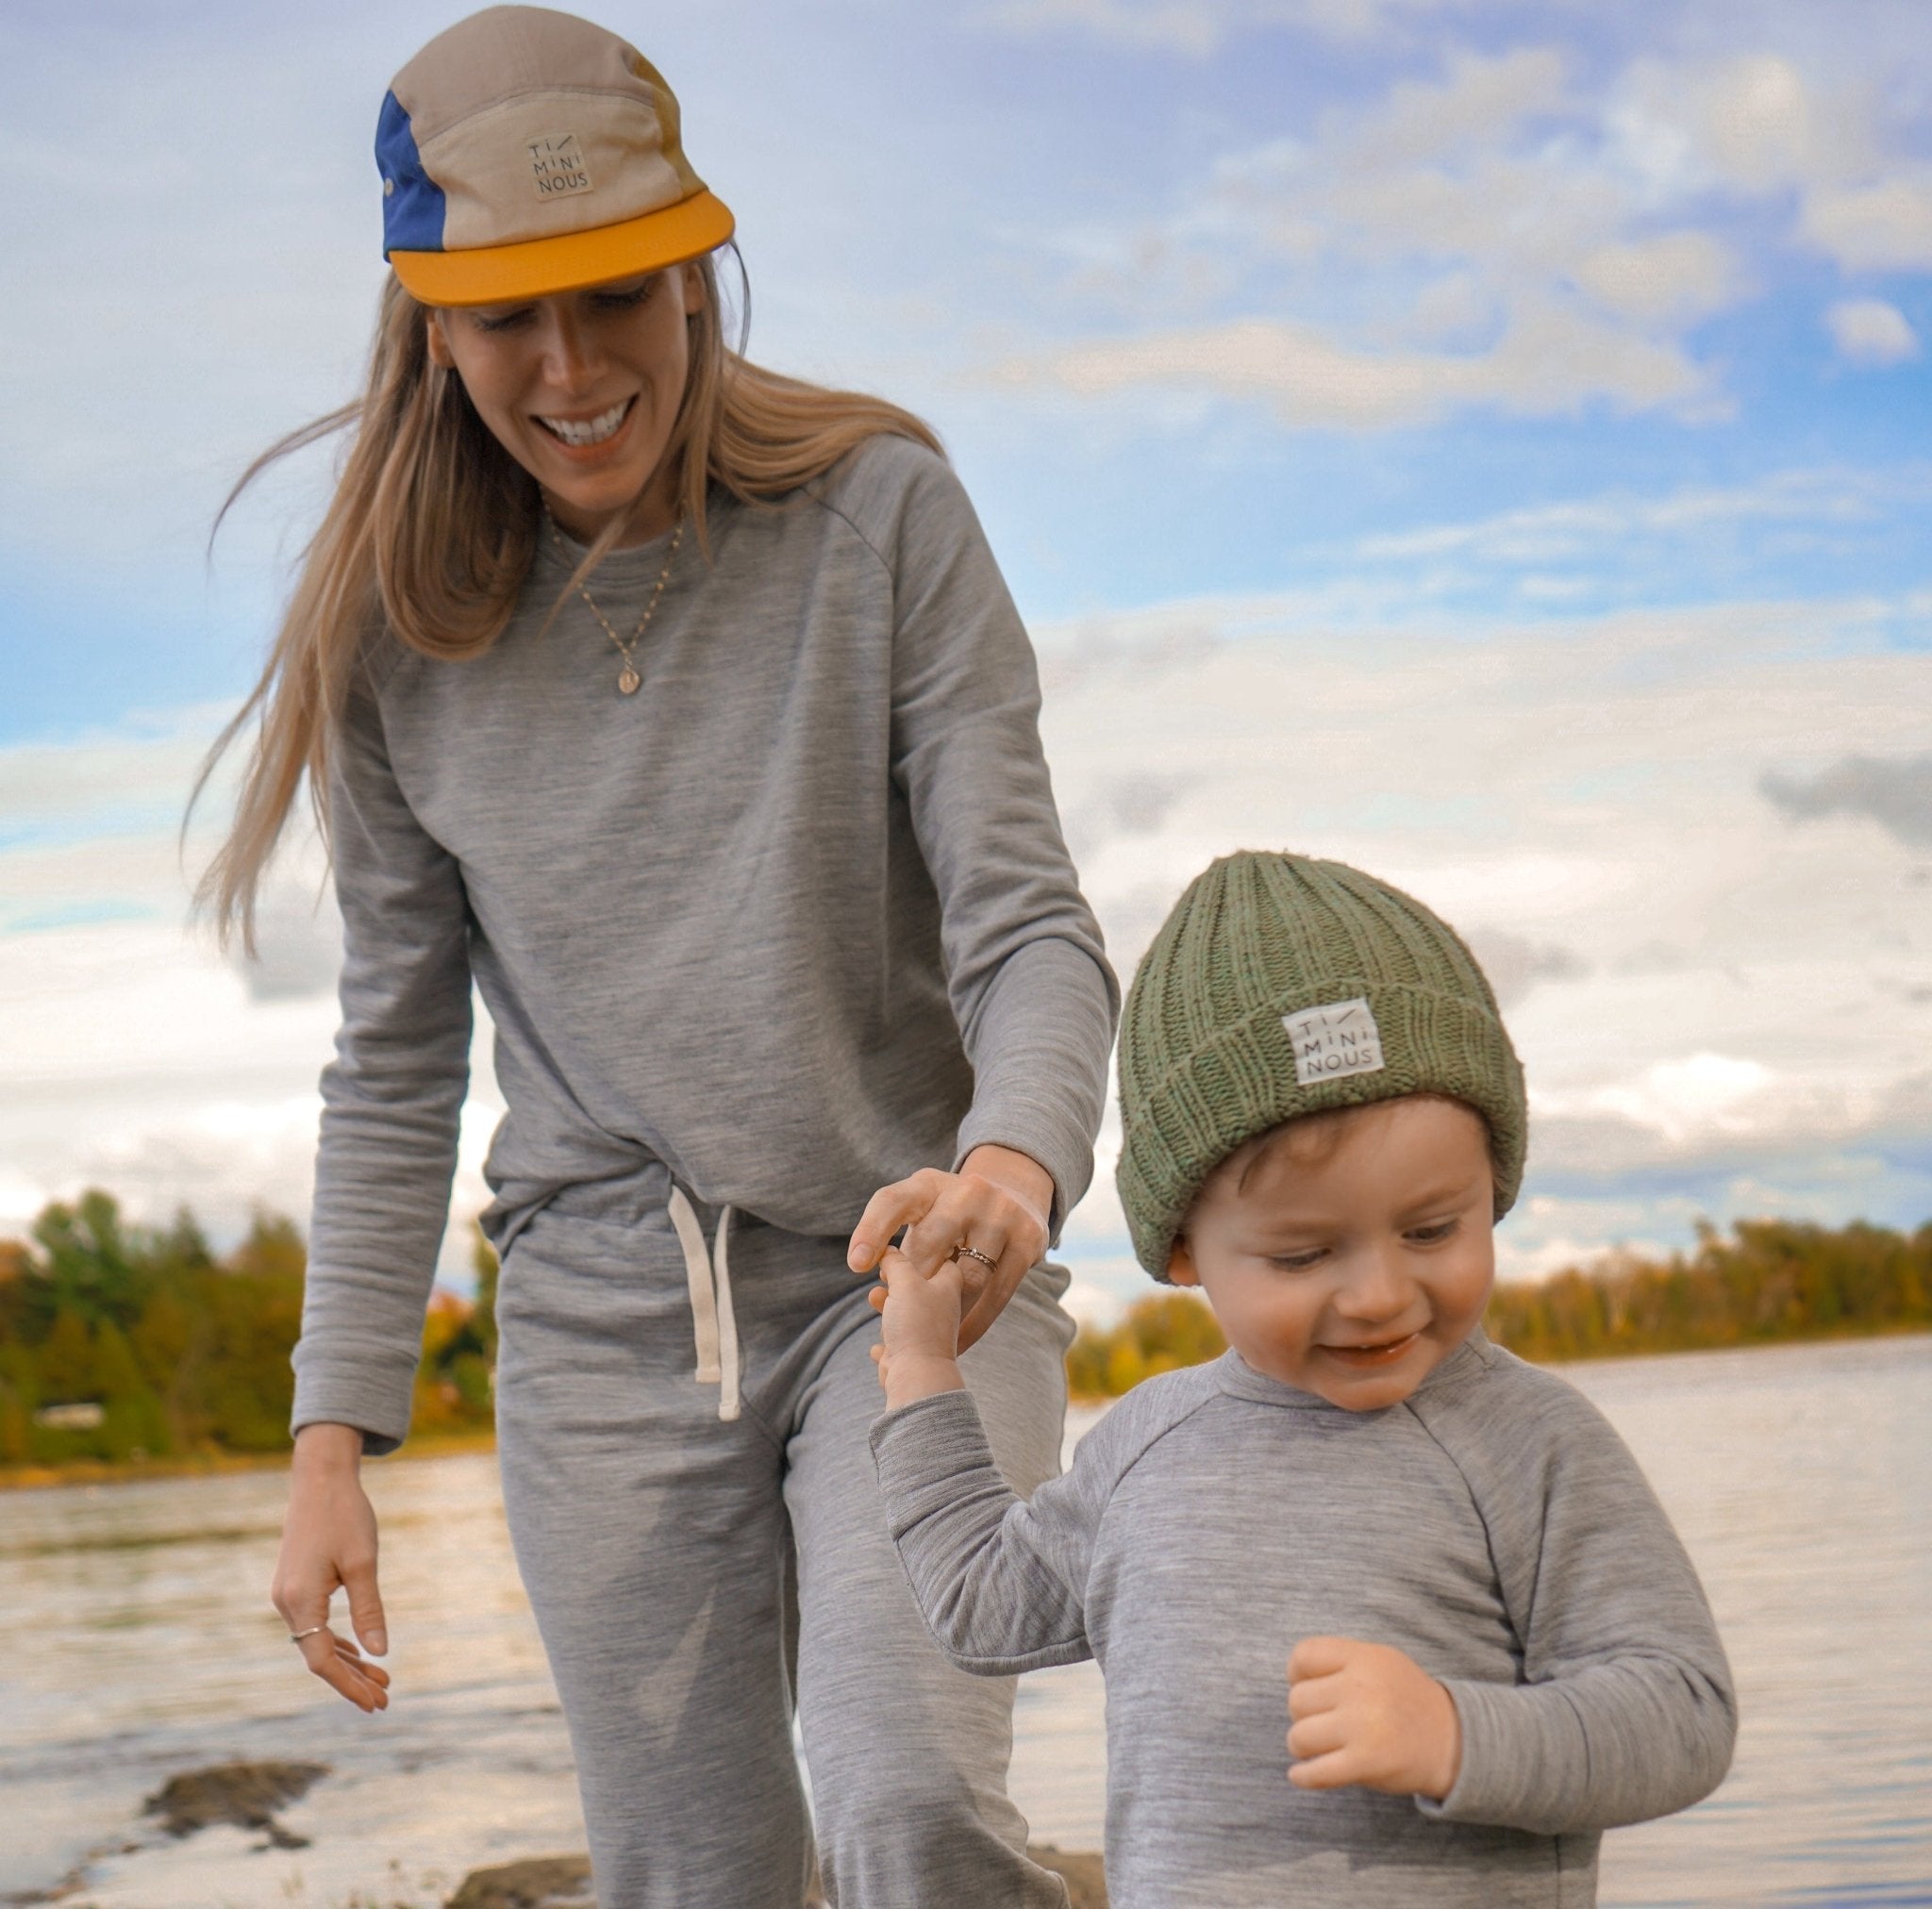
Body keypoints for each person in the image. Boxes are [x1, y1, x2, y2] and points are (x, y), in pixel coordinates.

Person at [200, 9, 1117, 1906]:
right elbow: (391, 1066)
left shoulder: (885, 518)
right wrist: (329, 1440)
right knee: (692, 1882)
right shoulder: (391, 641)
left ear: (697, 273)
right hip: (603, 1336)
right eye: (504, 313)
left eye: (615, 292)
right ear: (429, 325)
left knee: (911, 1812)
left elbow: (1026, 920)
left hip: (917, 1288)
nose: (568, 365)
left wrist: (1014, 1168)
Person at [870, 851, 1738, 1907]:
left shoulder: (1527, 1442)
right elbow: (976, 1602)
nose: (1376, 1292)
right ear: (1184, 1249)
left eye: (1431, 1228)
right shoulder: (1143, 1448)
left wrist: (1457, 1734)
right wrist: (920, 1368)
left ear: (1492, 1188)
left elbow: (1681, 1710)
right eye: (1301, 1254)